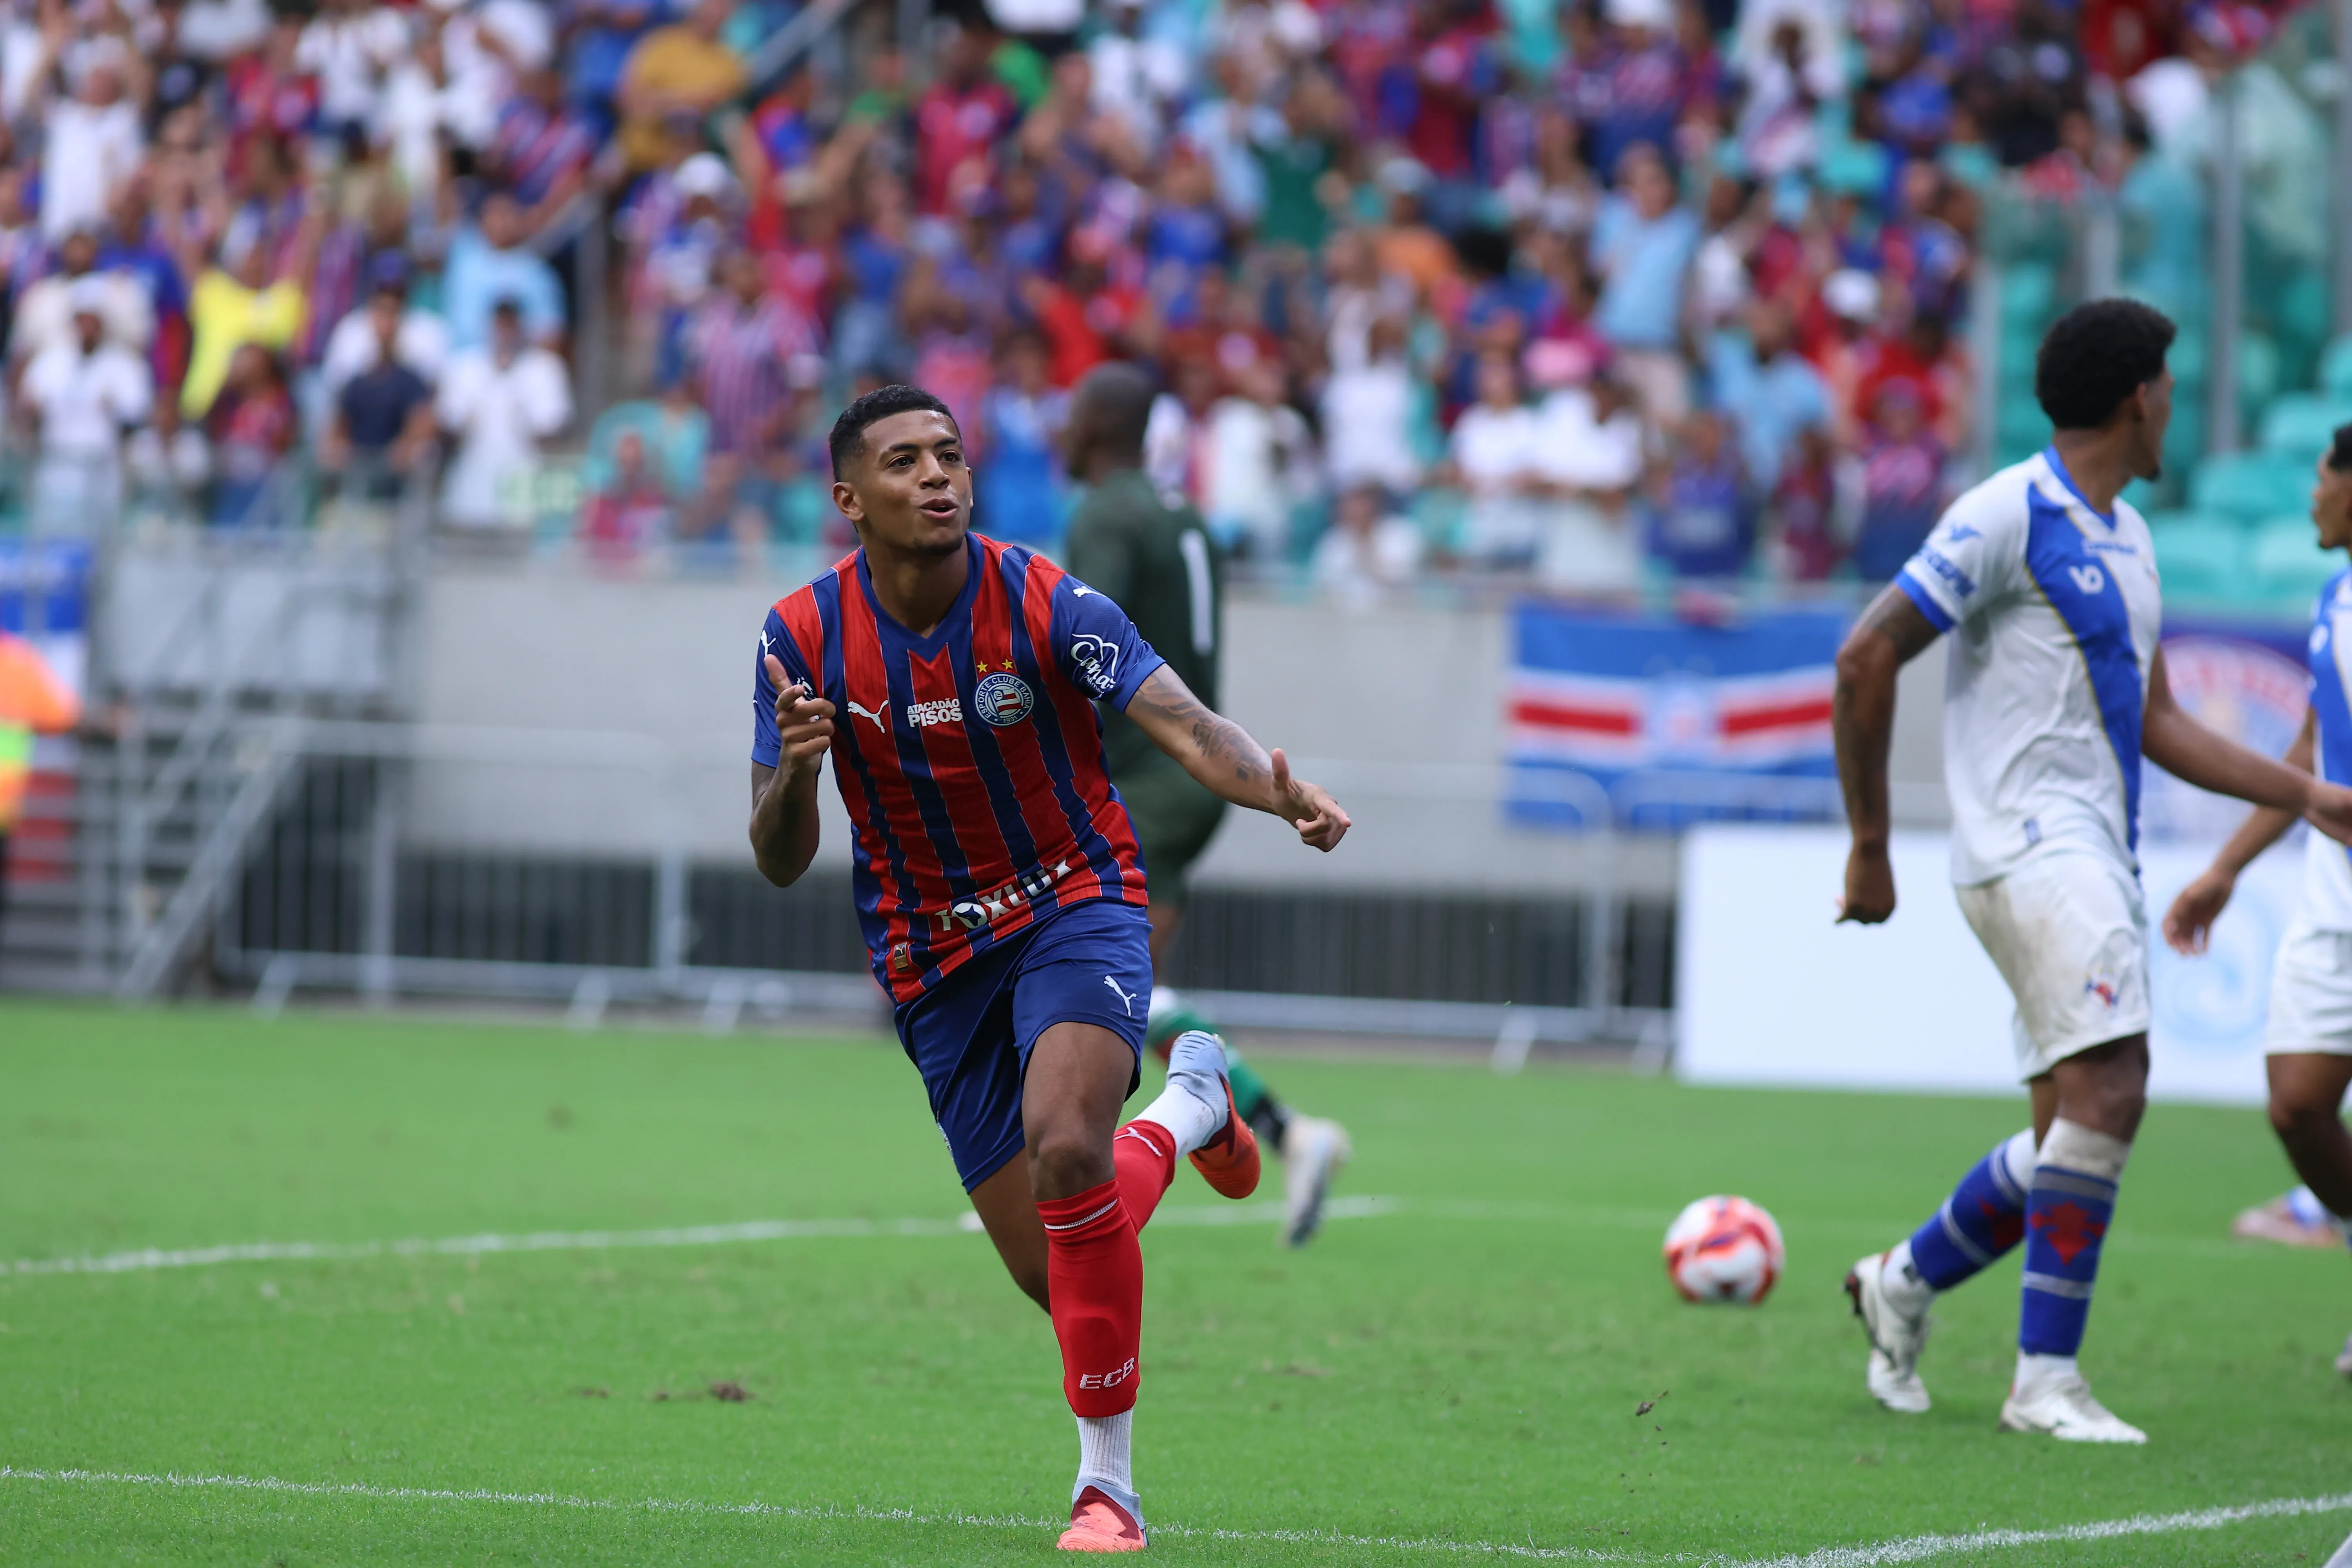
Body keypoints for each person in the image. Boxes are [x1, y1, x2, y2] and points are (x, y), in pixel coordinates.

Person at [748, 384, 1349, 1551]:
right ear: (847, 498)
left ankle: (1106, 1488)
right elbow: (778, 859)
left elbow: (1185, 725)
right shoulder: (799, 639)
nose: (937, 476)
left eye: (949, 455)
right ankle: (1189, 1108)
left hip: (1073, 898)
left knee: (1067, 1142)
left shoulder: (1041, 599)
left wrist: (1276, 794)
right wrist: (795, 774)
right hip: (933, 959)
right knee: (1059, 1270)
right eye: (904, 461)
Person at [1831, 299, 2352, 1444]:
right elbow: (1866, 653)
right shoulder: (2003, 514)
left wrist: (2302, 792)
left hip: (2086, 855)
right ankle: (2043, 1381)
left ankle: (1899, 1282)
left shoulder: (2127, 535)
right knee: (2112, 1090)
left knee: (2068, 1129)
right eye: (2167, 384)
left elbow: (2158, 720)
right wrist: (1869, 842)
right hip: (2027, 847)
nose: (2174, 404)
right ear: (2137, 396)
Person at [1061, 362, 1356, 1246]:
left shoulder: (1106, 512)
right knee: (1115, 985)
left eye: (1072, 416)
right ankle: (1289, 1133)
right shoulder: (1184, 515)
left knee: (1079, 973)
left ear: (1097, 424)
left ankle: (1260, 1129)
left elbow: (1079, 638)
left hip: (1135, 777)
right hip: (1191, 774)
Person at [2163, 424, 2352, 1376]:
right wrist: (2228, 866)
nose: (2311, 493)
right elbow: (2309, 755)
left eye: (2324, 476)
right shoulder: (2334, 598)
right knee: (2297, 1108)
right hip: (2333, 905)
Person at [0, 629, 81, 955]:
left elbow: (61, 718)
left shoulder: (17, 660)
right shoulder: (17, 659)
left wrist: (104, 725)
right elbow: (64, 719)